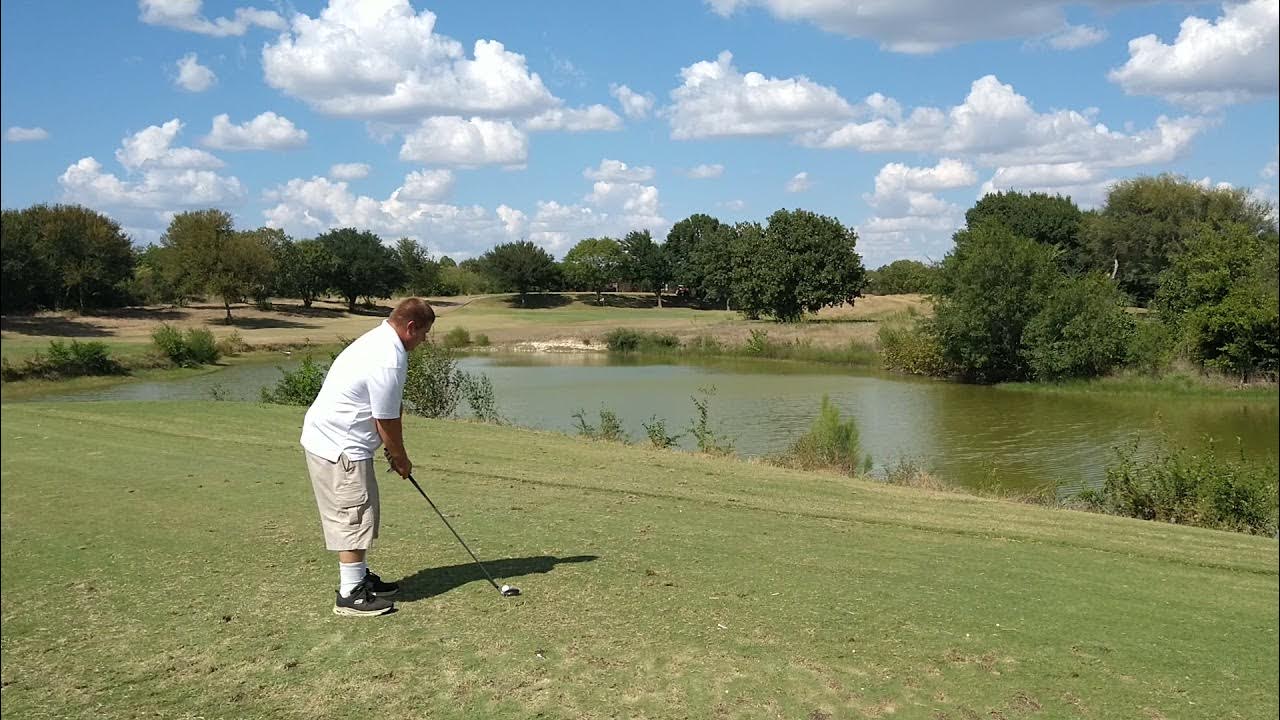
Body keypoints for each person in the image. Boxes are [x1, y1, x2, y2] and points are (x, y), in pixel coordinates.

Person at [300, 298, 434, 616]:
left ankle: (359, 577)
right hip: (340, 446)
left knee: (359, 510)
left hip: (333, 439)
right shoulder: (388, 356)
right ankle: (350, 595)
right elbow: (386, 419)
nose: (424, 341)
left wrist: (391, 451)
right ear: (411, 327)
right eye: (424, 334)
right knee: (353, 513)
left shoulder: (379, 339)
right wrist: (400, 457)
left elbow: (388, 408)